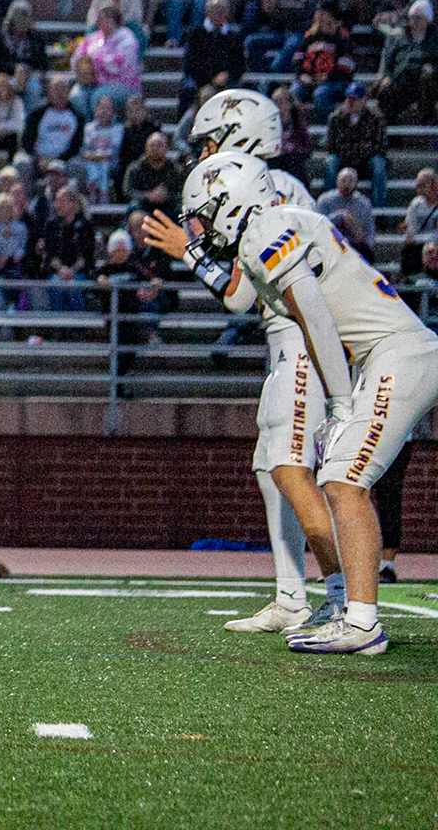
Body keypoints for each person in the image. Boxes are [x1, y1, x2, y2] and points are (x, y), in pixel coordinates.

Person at [178, 153, 438, 655]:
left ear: (233, 204)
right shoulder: (277, 226)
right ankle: (354, 614)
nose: (202, 229)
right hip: (392, 354)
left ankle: (360, 623)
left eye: (206, 216)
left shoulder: (265, 231)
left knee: (342, 479)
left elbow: (315, 317)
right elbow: (243, 299)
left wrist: (341, 403)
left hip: (395, 354)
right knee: (341, 479)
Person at [140, 89, 329, 632]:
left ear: (239, 135)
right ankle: (295, 595)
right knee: (275, 472)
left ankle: (338, 596)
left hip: (300, 342)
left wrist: (189, 251)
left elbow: (237, 295)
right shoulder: (274, 184)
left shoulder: (270, 188)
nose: (203, 155)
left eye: (211, 142)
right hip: (289, 342)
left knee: (294, 472)